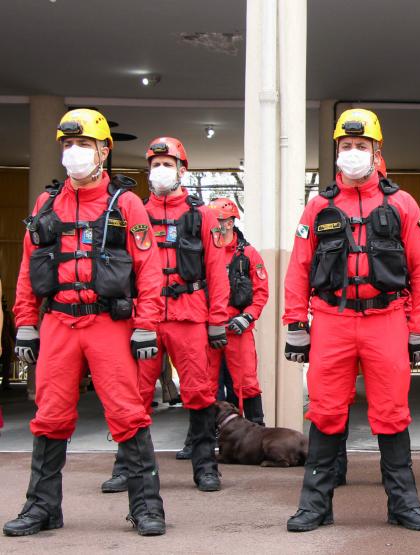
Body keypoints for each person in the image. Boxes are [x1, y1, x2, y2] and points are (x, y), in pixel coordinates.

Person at [5, 109, 165, 536]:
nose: (74, 153)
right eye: (68, 145)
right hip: (58, 321)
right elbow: (28, 265)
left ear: (103, 150)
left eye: (83, 145)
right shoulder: (47, 204)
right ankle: (42, 509)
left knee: (128, 414)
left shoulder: (126, 203)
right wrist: (25, 322)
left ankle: (147, 508)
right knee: (50, 416)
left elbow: (149, 269)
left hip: (108, 324)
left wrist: (146, 324)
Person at [284, 108, 420, 532]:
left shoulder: (402, 203)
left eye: (361, 146)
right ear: (337, 151)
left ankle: (403, 504)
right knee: (326, 412)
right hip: (331, 320)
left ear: (376, 151)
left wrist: (419, 326)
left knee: (391, 412)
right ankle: (315, 506)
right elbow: (298, 266)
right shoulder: (318, 207)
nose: (353, 153)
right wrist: (296, 324)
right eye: (346, 146)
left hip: (387, 319)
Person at [101, 137, 230, 494]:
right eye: (155, 165)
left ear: (182, 170)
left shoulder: (203, 216)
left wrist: (217, 319)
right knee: (135, 392)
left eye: (167, 164)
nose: (160, 171)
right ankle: (127, 467)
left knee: (199, 392)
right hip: (145, 318)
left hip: (189, 316)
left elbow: (217, 272)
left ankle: (206, 467)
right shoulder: (133, 212)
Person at [206, 197, 269, 424]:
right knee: (206, 385)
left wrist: (248, 316)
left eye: (219, 221)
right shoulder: (204, 251)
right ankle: (202, 438)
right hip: (209, 330)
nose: (215, 226)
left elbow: (261, 293)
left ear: (231, 222)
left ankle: (256, 431)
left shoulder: (249, 255)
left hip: (238, 329)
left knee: (247, 383)